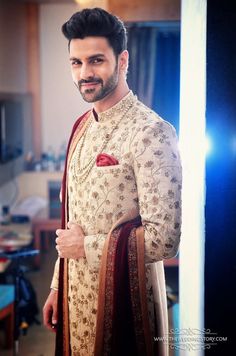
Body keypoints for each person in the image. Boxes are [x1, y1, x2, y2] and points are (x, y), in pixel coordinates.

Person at [43, 7, 182, 356]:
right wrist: (58, 285)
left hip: (125, 305)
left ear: (122, 60)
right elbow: (70, 221)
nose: (85, 73)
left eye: (96, 61)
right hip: (75, 300)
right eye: (76, 63)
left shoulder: (152, 133)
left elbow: (165, 240)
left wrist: (85, 248)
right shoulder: (81, 127)